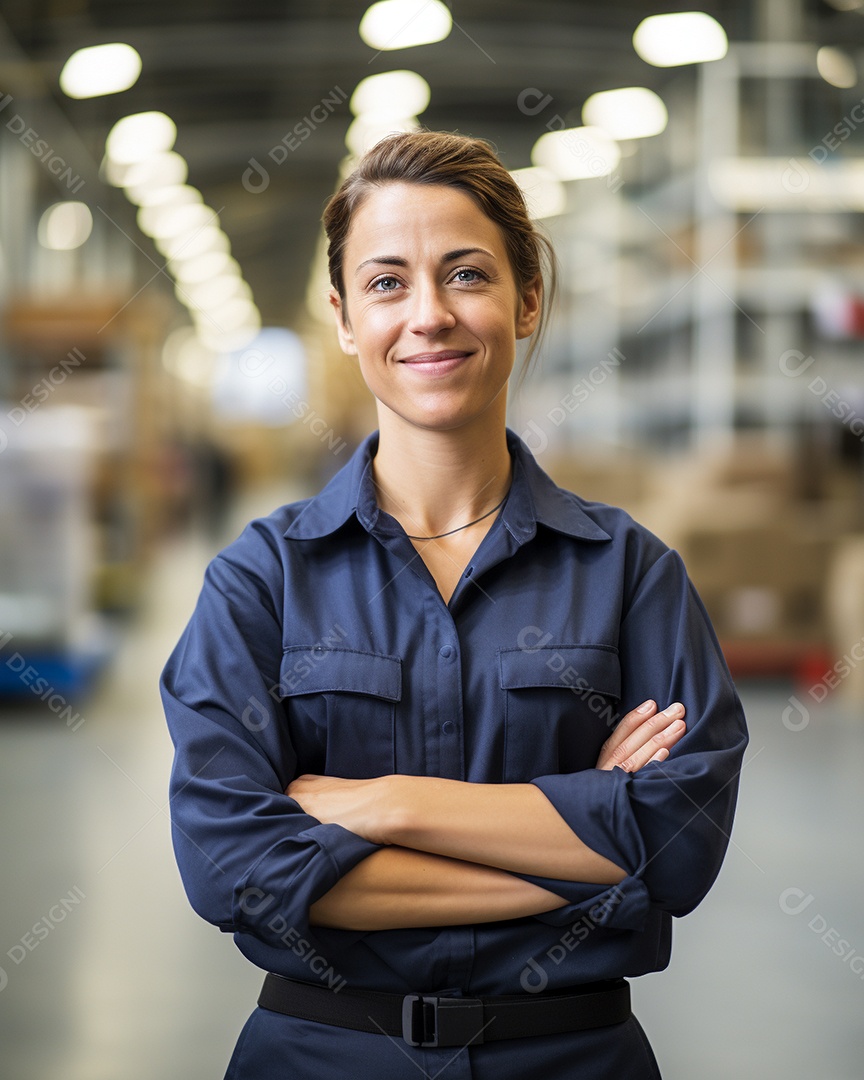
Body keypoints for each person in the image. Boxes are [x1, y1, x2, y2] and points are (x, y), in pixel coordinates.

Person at [160, 129, 749, 1080]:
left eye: (465, 274)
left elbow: (677, 853)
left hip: (572, 1059)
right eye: (388, 283)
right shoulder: (262, 578)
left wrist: (384, 807)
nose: (427, 315)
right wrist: (592, 864)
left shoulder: (632, 573)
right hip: (320, 1057)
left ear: (526, 301)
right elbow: (232, 869)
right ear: (347, 319)